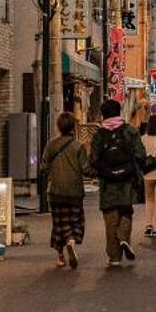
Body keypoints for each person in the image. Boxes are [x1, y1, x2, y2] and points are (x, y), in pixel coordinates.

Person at [90, 98, 145, 265]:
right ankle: (124, 237)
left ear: (103, 114)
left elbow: (93, 159)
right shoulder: (131, 131)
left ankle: (114, 257)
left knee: (110, 215)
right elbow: (140, 155)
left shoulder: (99, 134)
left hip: (107, 181)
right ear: (119, 112)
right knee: (126, 210)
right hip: (128, 179)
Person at [40, 111, 91, 269]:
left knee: (59, 223)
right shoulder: (79, 146)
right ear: (73, 127)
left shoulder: (51, 145)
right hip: (74, 191)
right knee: (76, 220)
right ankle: (71, 240)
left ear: (58, 126)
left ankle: (61, 257)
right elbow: (86, 169)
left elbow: (43, 167)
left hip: (55, 191)